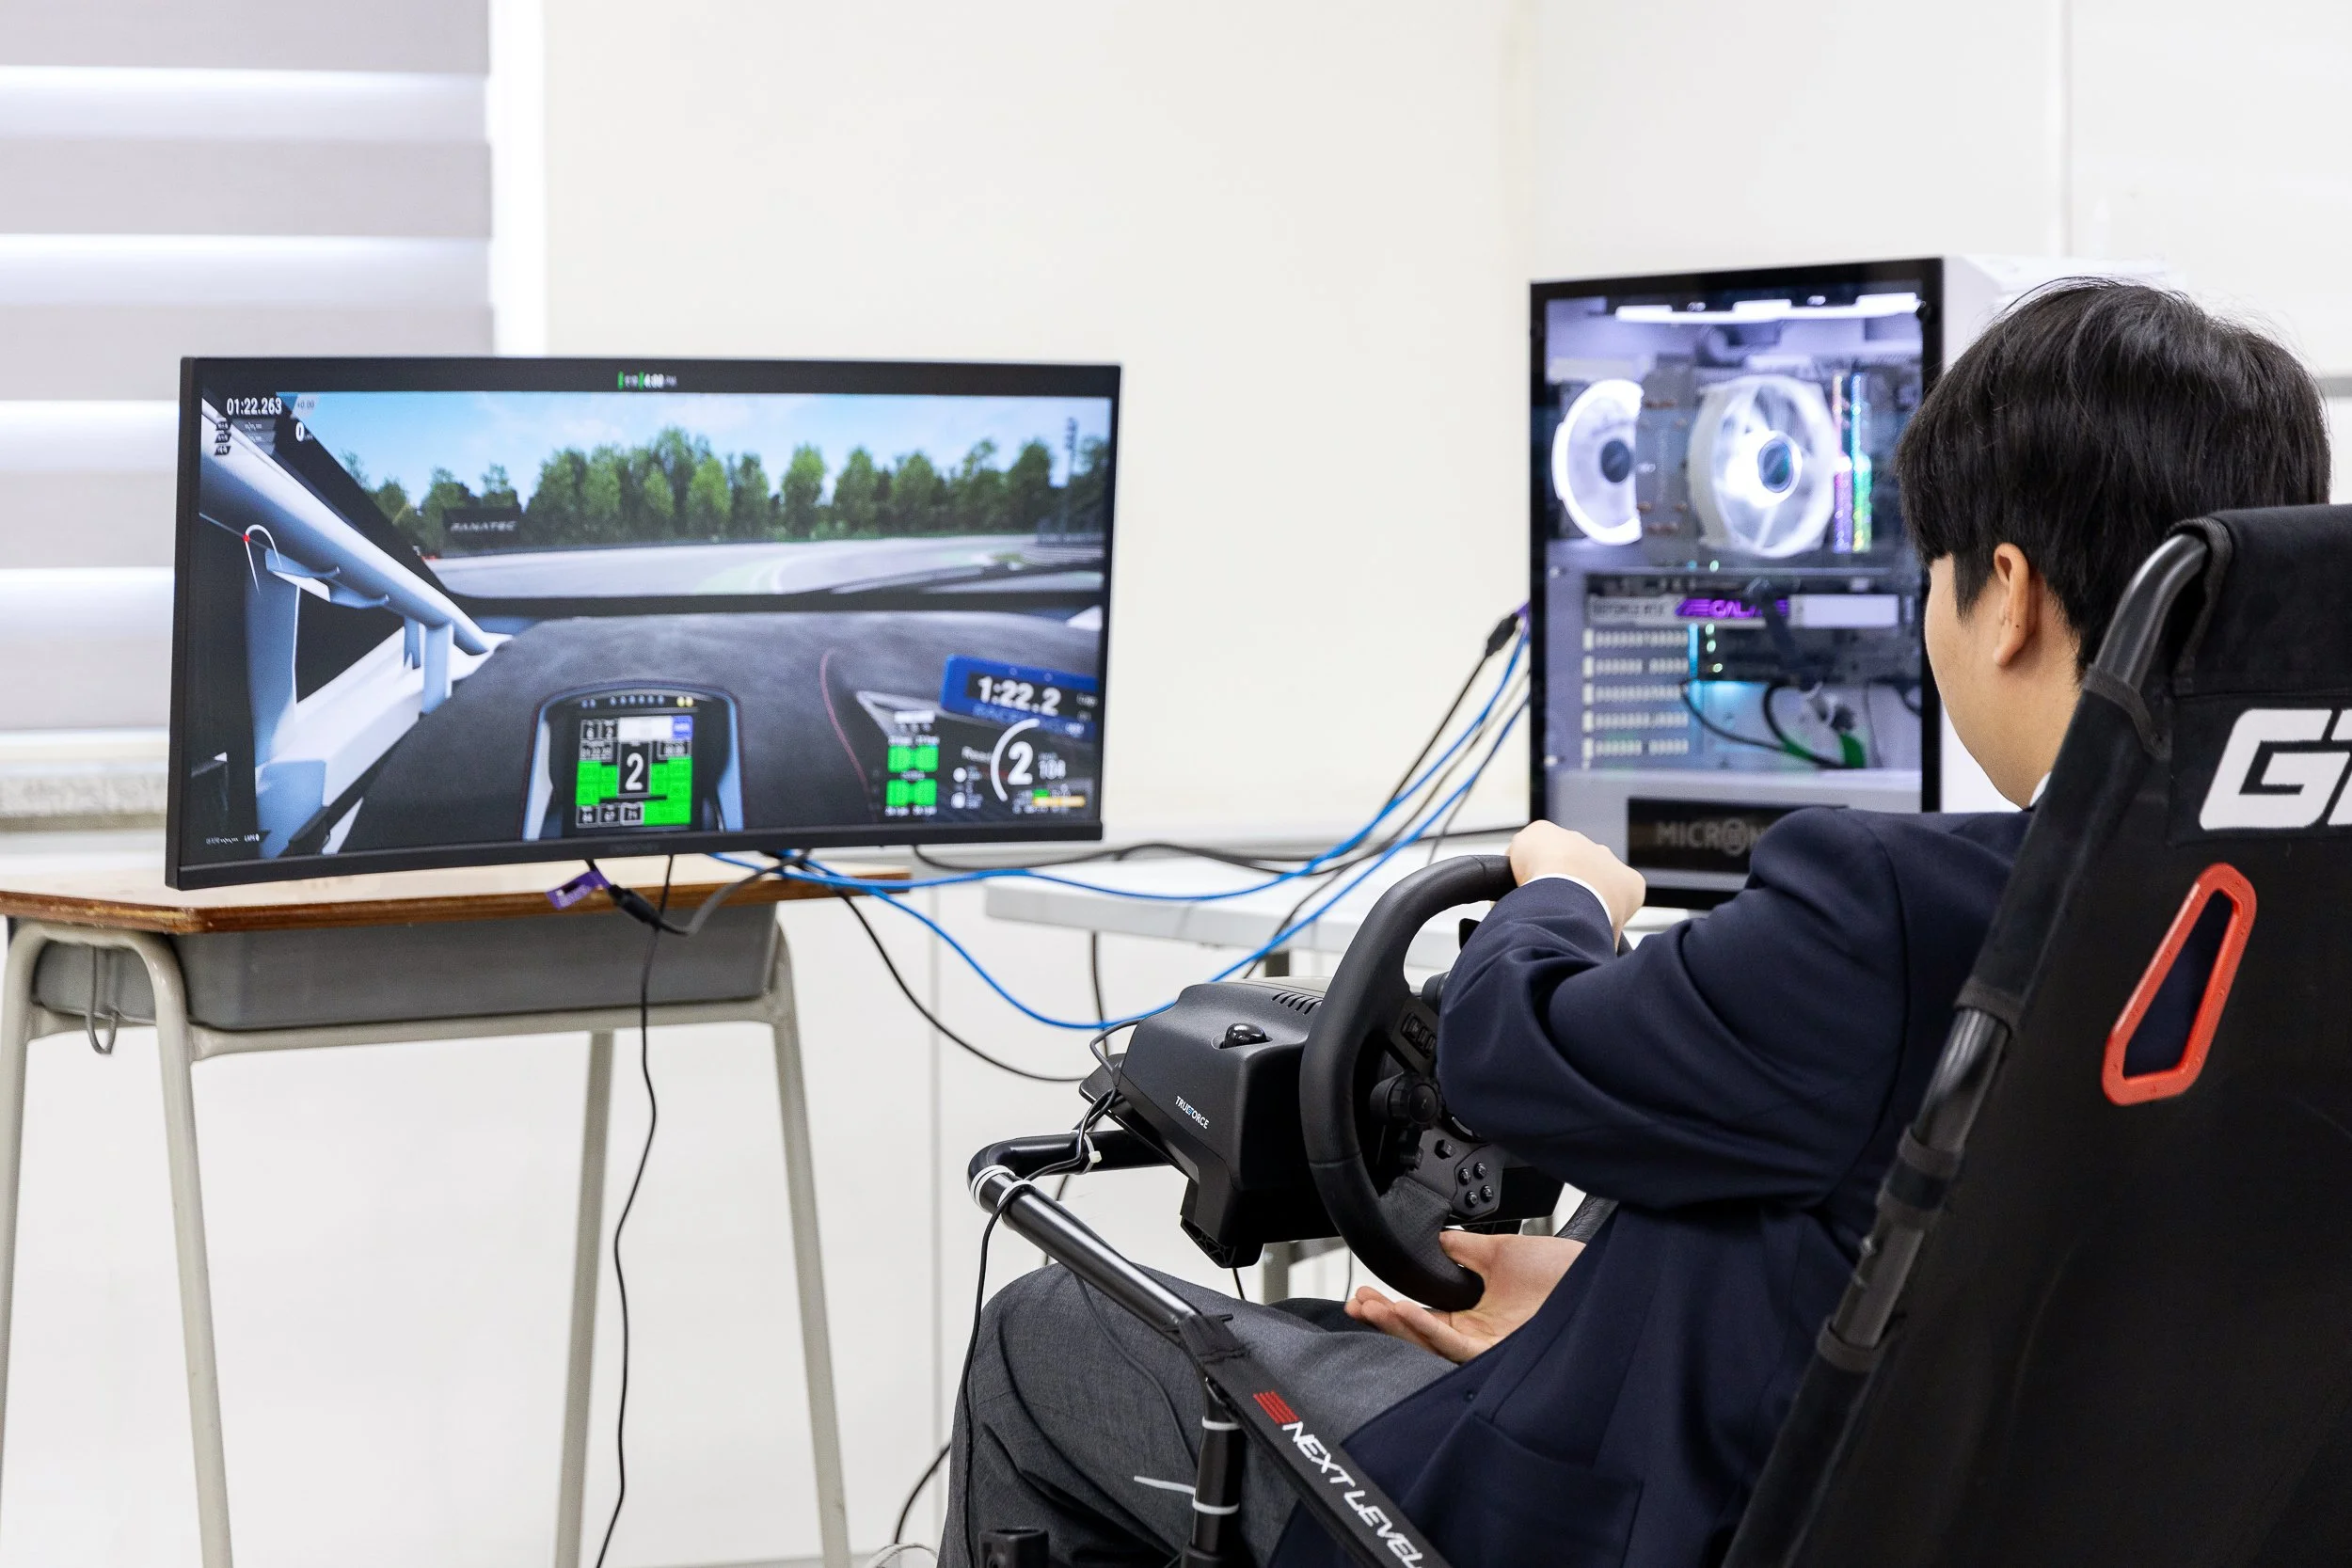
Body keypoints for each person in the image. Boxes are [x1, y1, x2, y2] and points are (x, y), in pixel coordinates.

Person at [943, 280, 2332, 1568]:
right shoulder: (2290, 940)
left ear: (2009, 593)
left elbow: (1506, 1056)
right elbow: (1949, 1276)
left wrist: (1560, 896)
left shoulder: (1889, 910)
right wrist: (1617, 1294)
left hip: (1596, 1524)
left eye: (1935, 565)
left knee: (1038, 1340)